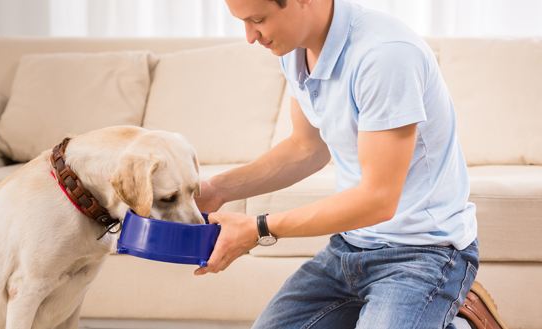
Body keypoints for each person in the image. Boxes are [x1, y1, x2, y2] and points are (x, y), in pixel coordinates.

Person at [193, 0, 482, 328]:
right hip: (349, 247)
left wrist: (259, 228)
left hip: (424, 252)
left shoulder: (385, 55)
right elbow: (306, 148)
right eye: (242, 22)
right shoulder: (293, 48)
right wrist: (217, 189)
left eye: (258, 19)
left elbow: (379, 198)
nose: (250, 36)